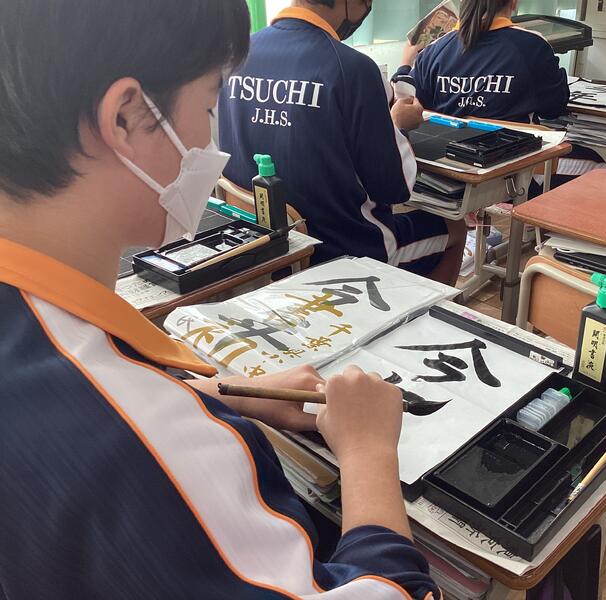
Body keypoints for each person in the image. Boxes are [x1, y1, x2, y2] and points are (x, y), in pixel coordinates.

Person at [0, 2, 439, 598]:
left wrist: (209, 393)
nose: (211, 140)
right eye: (210, 105)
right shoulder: (129, 451)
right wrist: (367, 451)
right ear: (126, 116)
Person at [218, 0, 467, 286]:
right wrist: (397, 125)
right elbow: (394, 188)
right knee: (456, 228)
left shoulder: (235, 56)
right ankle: (423, 311)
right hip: (348, 249)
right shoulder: (353, 68)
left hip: (263, 247)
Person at [396, 0, 606, 190]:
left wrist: (405, 66)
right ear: (513, 2)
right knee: (597, 165)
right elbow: (554, 108)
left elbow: (412, 109)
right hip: (509, 170)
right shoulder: (532, 45)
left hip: (447, 172)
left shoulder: (433, 51)